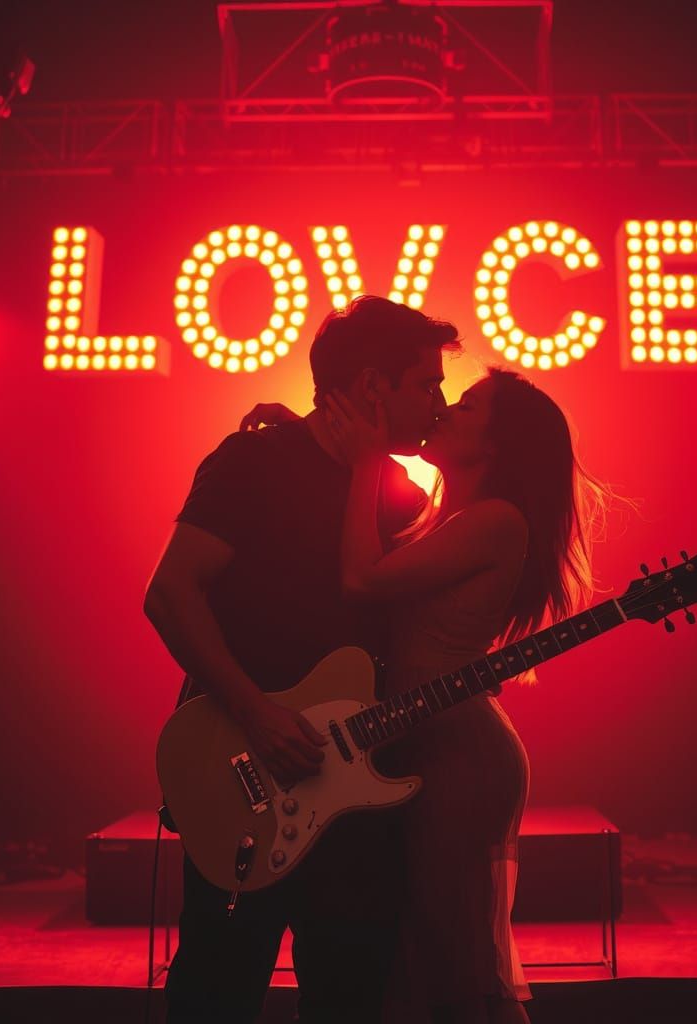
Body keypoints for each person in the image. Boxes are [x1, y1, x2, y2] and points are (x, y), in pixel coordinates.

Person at [143, 295, 460, 1024]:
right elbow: (169, 593)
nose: (438, 404)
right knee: (215, 996)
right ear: (373, 387)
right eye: (427, 384)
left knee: (351, 998)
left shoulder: (401, 496)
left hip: (354, 796)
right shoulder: (251, 462)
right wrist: (255, 712)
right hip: (239, 771)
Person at [315, 367, 604, 1023]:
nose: (444, 408)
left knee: (460, 964)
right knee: (424, 957)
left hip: (458, 755)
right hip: (422, 740)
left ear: (496, 443)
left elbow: (362, 580)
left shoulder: (496, 520)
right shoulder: (448, 515)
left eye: (467, 405)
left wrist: (365, 460)